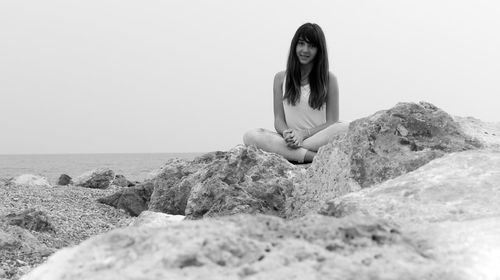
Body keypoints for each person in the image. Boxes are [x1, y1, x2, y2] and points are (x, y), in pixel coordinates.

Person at [243, 23, 348, 163]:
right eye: (301, 44)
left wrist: (303, 135)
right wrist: (287, 134)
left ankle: (294, 152)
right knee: (250, 135)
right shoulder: (280, 78)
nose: (305, 50)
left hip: (317, 138)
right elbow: (279, 119)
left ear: (319, 50)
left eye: (311, 46)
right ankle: (314, 157)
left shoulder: (329, 79)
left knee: (346, 127)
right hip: (290, 139)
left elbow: (332, 122)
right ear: (295, 46)